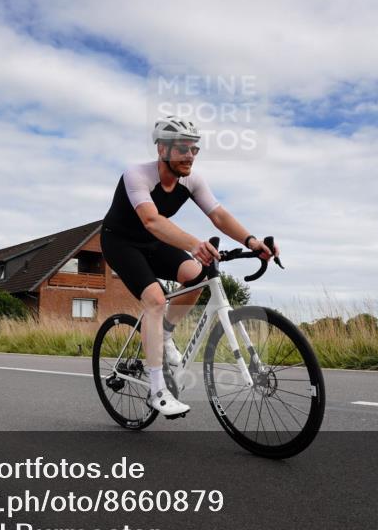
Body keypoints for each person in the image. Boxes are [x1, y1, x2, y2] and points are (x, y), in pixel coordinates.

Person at [101, 116, 279, 418]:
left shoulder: (192, 180)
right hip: (120, 243)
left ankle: (165, 335)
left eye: (194, 149)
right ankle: (157, 390)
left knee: (197, 277)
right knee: (156, 300)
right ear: (162, 149)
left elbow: (219, 216)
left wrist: (251, 241)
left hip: (154, 243)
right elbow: (151, 220)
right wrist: (194, 244)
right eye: (183, 149)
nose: (190, 156)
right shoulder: (137, 175)